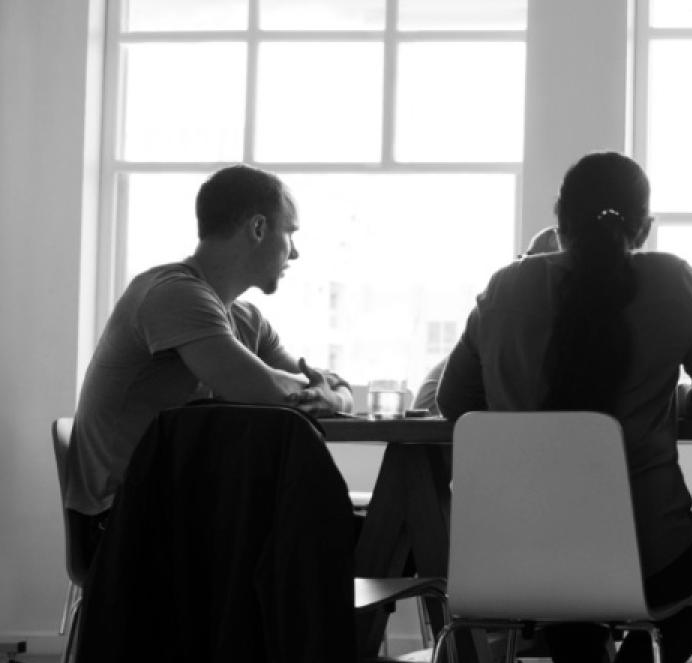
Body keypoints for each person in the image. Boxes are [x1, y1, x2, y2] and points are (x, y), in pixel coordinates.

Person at [437, 151, 692, 663]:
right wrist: (667, 399)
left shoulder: (505, 286)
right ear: (645, 224)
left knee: (567, 574)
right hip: (645, 548)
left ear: (558, 222)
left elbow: (455, 399)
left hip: (518, 553)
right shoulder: (669, 281)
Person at [66, 164, 351, 563]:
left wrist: (335, 398)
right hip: (122, 523)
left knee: (330, 530)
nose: (296, 251)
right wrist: (324, 395)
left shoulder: (246, 319)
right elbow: (264, 390)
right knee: (319, 537)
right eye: (290, 233)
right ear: (257, 229)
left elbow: (321, 385)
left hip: (184, 510)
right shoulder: (172, 294)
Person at [413, 226, 562, 413]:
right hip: (439, 427)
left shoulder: (498, 315)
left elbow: (453, 399)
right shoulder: (504, 320)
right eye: (526, 258)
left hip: (484, 432)